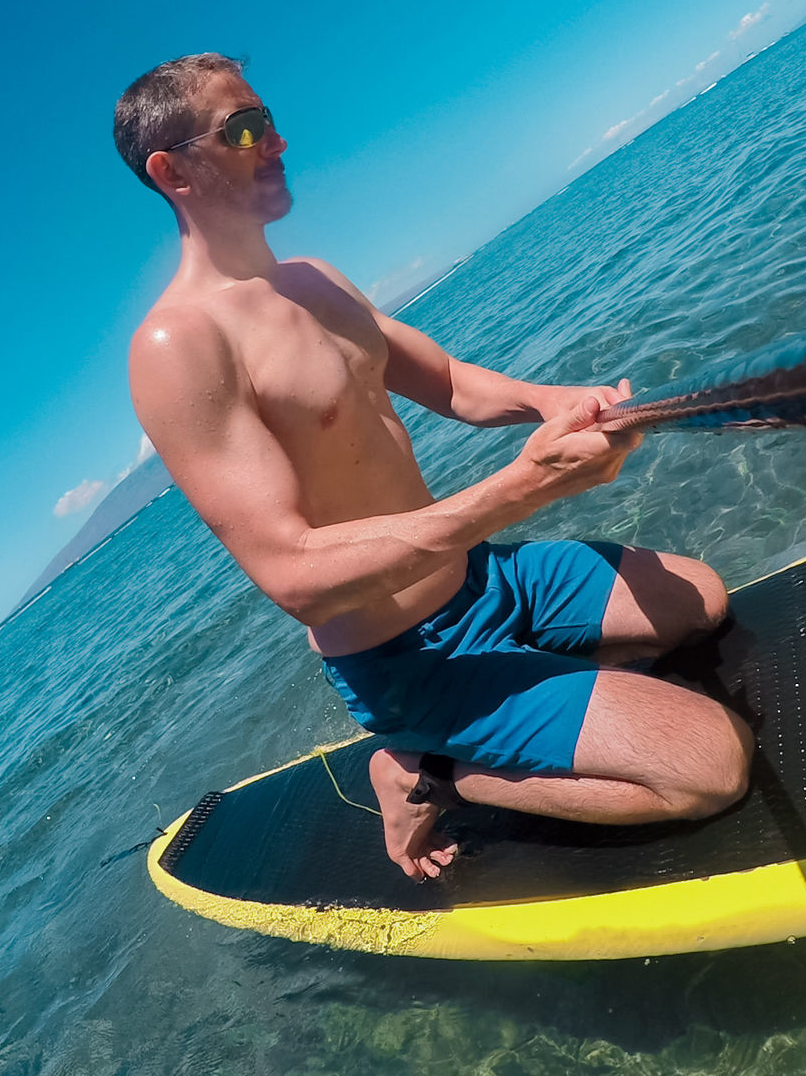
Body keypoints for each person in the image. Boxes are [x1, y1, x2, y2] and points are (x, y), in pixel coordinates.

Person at [114, 53, 753, 882]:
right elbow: (292, 574)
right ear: (173, 172)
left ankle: (530, 695)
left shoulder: (313, 280)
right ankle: (428, 772)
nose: (275, 140)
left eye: (266, 118)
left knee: (699, 600)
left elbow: (449, 383)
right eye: (242, 129)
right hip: (407, 655)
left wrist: (553, 401)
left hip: (485, 579)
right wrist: (523, 488)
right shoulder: (178, 347)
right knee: (712, 764)